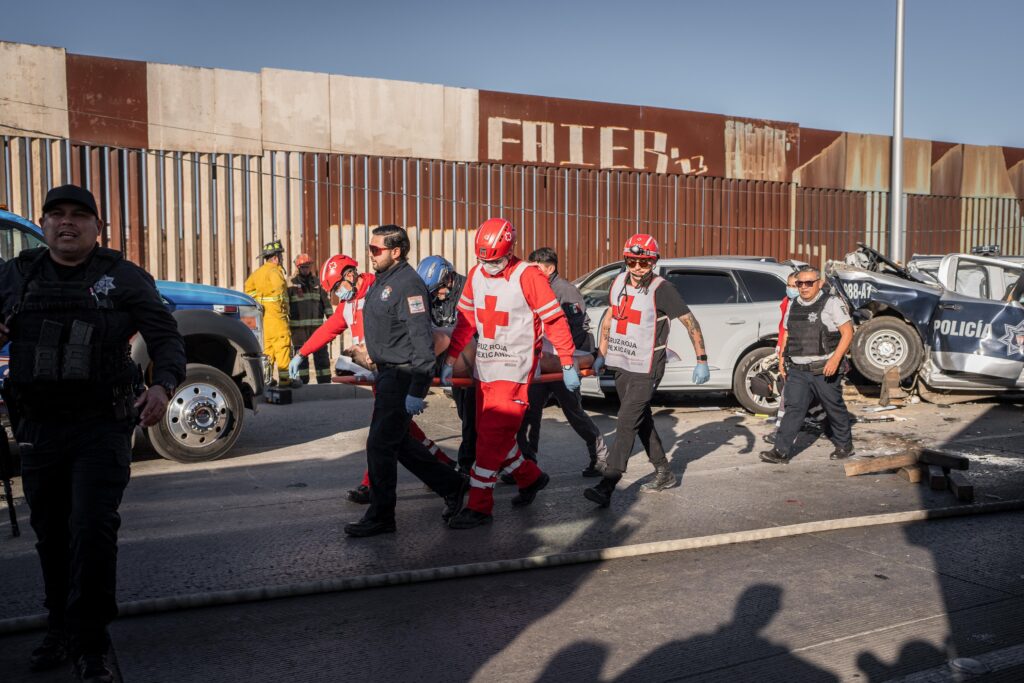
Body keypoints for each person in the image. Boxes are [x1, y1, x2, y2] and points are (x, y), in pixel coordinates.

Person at [0, 185, 185, 682]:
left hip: (100, 426)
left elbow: (166, 337)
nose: (67, 223)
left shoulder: (121, 276)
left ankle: (91, 638)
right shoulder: (17, 275)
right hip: (37, 425)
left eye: (79, 216)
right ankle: (59, 625)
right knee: (51, 533)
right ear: (42, 224)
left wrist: (163, 387)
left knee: (92, 530)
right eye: (56, 214)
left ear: (96, 227)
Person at [441, 218, 580, 529]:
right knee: (494, 435)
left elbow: (555, 321)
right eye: (483, 260)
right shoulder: (476, 274)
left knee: (489, 440)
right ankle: (529, 478)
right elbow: (466, 320)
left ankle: (480, 507)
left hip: (515, 369)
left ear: (509, 251)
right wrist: (451, 358)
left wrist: (568, 362)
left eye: (494, 260)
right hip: (485, 368)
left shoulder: (528, 276)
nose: (488, 266)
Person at [289, 255, 453, 505]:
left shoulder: (381, 291)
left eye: (337, 287)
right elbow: (329, 329)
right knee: (403, 433)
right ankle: (446, 470)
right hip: (380, 375)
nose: (337, 294)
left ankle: (372, 487)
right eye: (332, 291)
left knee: (381, 436)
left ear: (350, 275)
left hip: (398, 372)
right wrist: (303, 353)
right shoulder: (349, 304)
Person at [343, 225, 468, 537]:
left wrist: (417, 389)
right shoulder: (385, 279)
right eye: (370, 248)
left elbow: (423, 342)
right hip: (387, 371)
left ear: (396, 251)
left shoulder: (409, 285)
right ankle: (453, 485)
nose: (370, 255)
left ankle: (382, 516)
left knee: (379, 445)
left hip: (402, 375)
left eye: (376, 250)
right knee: (399, 445)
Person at [584, 233, 710, 508]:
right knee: (640, 420)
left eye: (645, 262)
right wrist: (601, 355)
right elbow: (609, 318)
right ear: (625, 260)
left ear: (654, 262)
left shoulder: (662, 289)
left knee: (626, 420)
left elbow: (690, 322)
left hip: (648, 367)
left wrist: (702, 359)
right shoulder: (618, 282)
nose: (638, 267)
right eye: (632, 261)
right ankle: (664, 471)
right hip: (621, 364)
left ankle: (608, 483)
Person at [515, 247, 608, 477]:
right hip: (540, 362)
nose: (531, 272)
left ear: (550, 268)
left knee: (574, 413)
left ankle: (600, 457)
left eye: (536, 268)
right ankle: (528, 466)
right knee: (529, 414)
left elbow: (577, 330)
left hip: (563, 363)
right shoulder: (534, 289)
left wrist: (565, 361)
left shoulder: (566, 291)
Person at [760, 265, 855, 464]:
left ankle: (844, 445)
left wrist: (835, 360)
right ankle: (780, 451)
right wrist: (781, 361)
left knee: (833, 408)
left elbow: (847, 332)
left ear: (819, 284)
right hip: (798, 370)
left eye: (808, 283)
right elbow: (786, 333)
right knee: (793, 408)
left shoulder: (831, 303)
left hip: (825, 369)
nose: (803, 287)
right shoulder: (793, 305)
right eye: (800, 283)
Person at [416, 255, 477, 475]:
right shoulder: (434, 297)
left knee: (472, 419)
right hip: (455, 366)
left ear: (448, 278)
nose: (436, 296)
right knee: (465, 414)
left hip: (475, 364)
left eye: (438, 290)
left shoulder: (469, 291)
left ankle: (467, 467)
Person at [245, 239, 293, 387]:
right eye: (281, 257)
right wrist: (284, 311)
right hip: (277, 318)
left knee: (268, 351)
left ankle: (267, 380)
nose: (282, 259)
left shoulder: (257, 274)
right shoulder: (275, 272)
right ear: (276, 257)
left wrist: (261, 303)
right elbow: (281, 296)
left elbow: (248, 291)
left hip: (264, 318)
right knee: (282, 347)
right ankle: (285, 380)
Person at [287, 253, 333, 384]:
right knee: (301, 361)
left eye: (307, 266)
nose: (306, 269)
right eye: (303, 267)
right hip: (298, 332)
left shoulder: (318, 284)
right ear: (298, 267)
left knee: (322, 359)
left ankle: (325, 384)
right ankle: (303, 384)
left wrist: (331, 322)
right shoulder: (291, 285)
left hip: (318, 330)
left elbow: (327, 305)